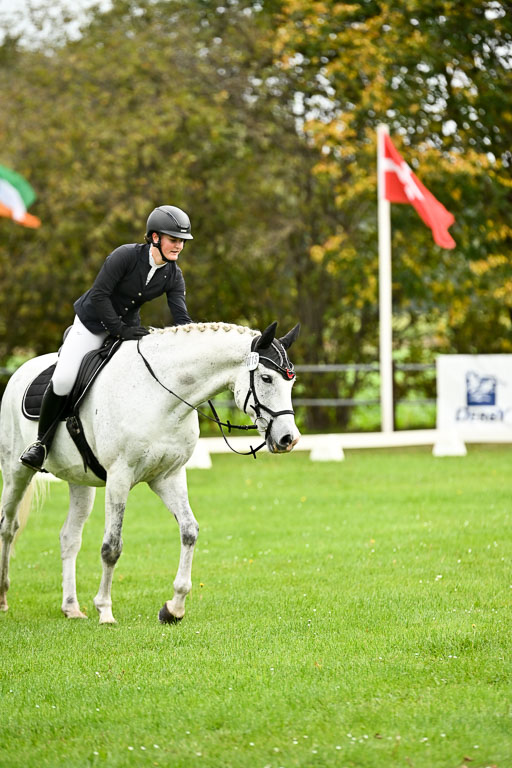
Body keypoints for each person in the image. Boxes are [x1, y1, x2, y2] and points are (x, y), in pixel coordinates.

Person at [20, 204, 194, 471]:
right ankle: (40, 444)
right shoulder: (124, 256)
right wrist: (120, 330)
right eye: (174, 239)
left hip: (127, 331)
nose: (179, 246)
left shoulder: (173, 275)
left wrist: (196, 340)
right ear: (155, 237)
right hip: (91, 325)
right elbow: (100, 295)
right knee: (65, 378)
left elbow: (181, 317)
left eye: (182, 241)